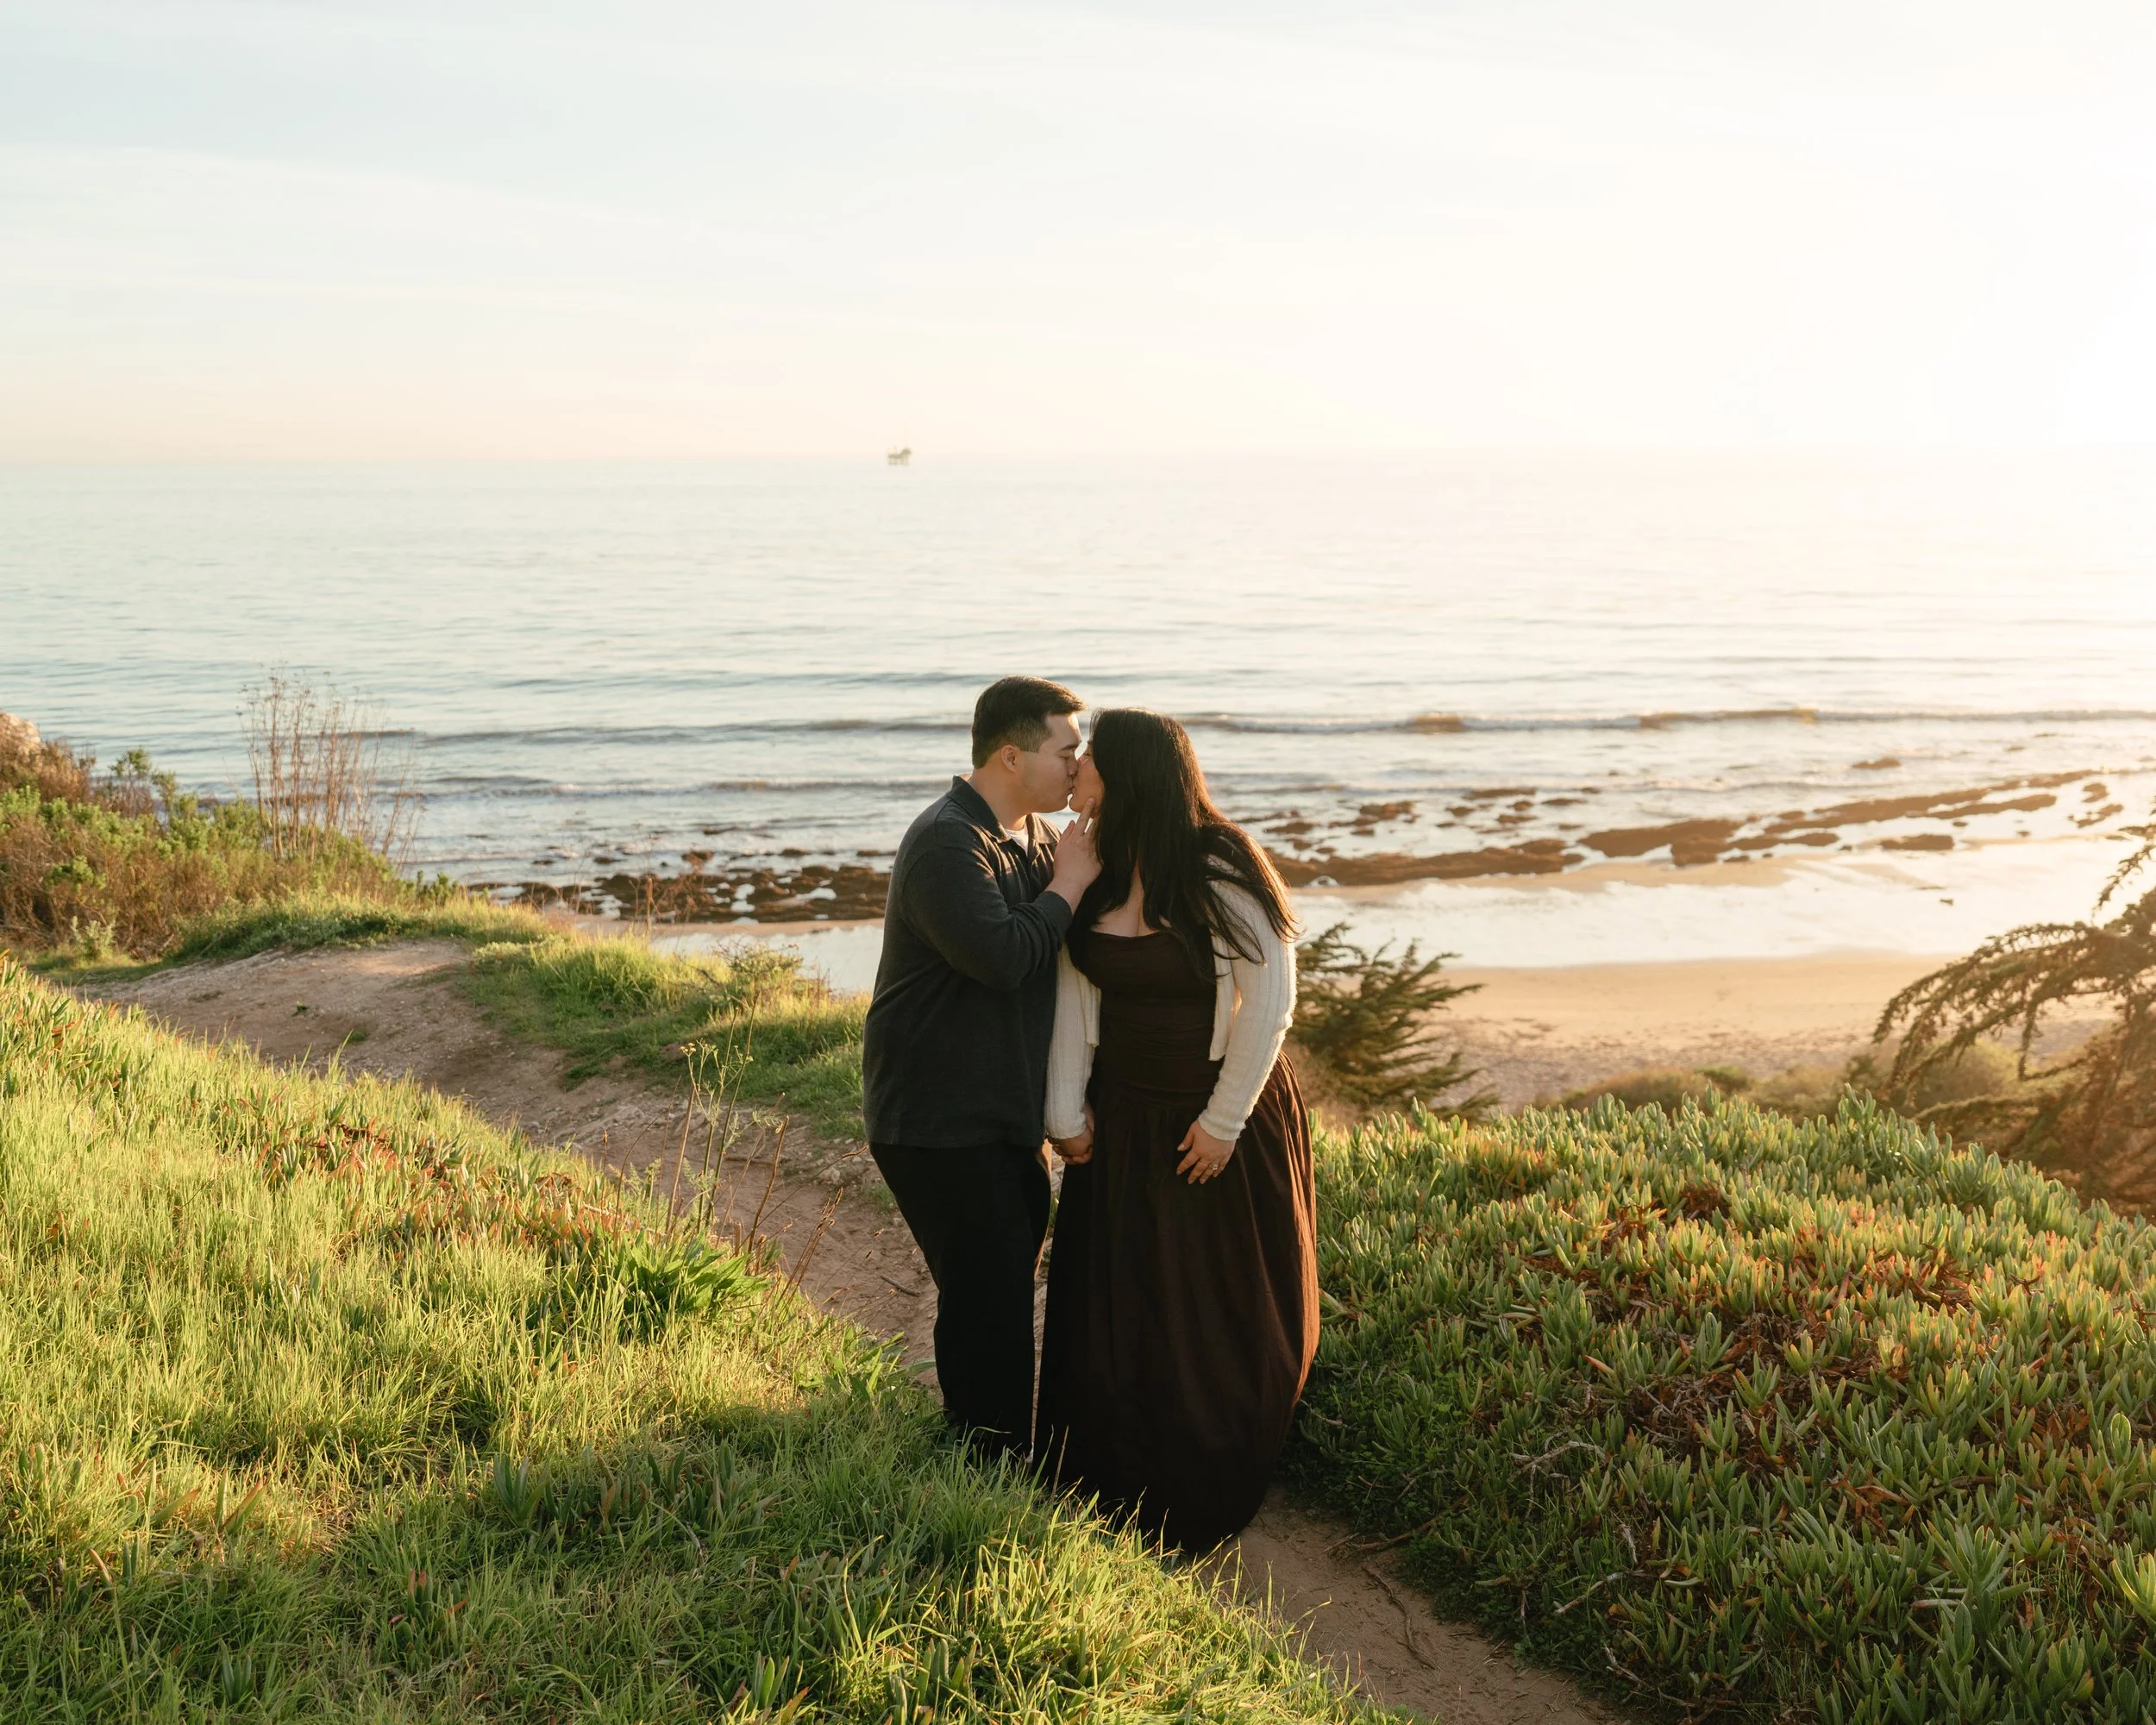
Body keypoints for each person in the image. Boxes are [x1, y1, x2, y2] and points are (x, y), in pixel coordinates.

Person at [1034, 707, 1318, 1551]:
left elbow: (1270, 1002)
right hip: (1120, 1114)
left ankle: (1206, 1462)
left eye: (1089, 759)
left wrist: (1223, 1121)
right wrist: (1061, 1112)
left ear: (1128, 774)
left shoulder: (1220, 862)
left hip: (1216, 1114)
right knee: (1122, 1302)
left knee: (1213, 1303)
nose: (1076, 767)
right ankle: (1109, 1475)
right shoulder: (1091, 857)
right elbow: (1071, 993)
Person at [862, 676, 1100, 1459]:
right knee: (988, 1296)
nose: (1079, 762)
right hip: (936, 1117)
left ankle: (983, 1454)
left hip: (996, 1110)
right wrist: (1069, 882)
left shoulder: (1029, 833)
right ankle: (988, 1471)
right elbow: (1003, 957)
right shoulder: (946, 842)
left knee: (992, 1289)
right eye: (1067, 749)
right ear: (1011, 754)